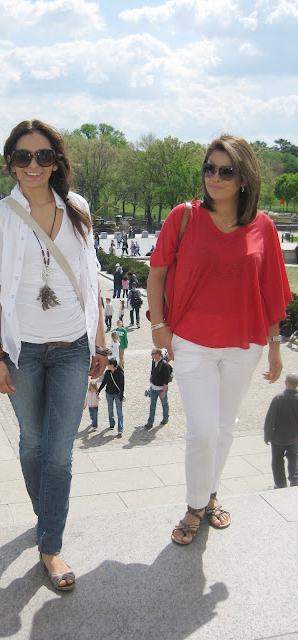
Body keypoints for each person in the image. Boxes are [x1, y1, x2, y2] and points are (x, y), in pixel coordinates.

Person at [147, 134, 291, 545]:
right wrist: (159, 327)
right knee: (202, 430)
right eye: (210, 168)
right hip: (191, 341)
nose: (215, 177)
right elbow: (157, 272)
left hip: (244, 345)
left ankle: (210, 496)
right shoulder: (184, 216)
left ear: (244, 178)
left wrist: (276, 347)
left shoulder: (262, 226)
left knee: (225, 427)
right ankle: (194, 506)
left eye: (226, 170)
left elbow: (272, 290)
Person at [0, 119, 107, 591]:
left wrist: (100, 341)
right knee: (32, 442)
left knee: (58, 453)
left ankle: (50, 545)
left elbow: (90, 278)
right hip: (23, 350)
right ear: (10, 162)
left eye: (43, 156)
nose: (33, 166)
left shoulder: (78, 208)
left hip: (73, 345)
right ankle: (46, 518)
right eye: (23, 156)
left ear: (57, 161)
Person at [264, 372, 298, 488]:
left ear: (286, 383)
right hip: (294, 437)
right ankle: (295, 478)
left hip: (278, 438)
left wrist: (267, 436)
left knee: (277, 460)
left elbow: (270, 420)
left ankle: (280, 483)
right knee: (294, 457)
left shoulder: (278, 399)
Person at [144, 348, 171, 429]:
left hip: (160, 388)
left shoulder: (164, 365)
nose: (151, 355)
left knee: (164, 403)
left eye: (153, 354)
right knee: (152, 405)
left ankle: (165, 418)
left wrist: (163, 391)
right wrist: (151, 377)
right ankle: (150, 423)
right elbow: (152, 370)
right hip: (153, 387)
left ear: (158, 355)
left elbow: (166, 380)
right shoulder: (153, 361)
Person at [98, 358, 124, 437]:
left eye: (108, 364)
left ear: (112, 365)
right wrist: (98, 390)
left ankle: (120, 429)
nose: (107, 366)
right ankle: (112, 424)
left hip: (117, 394)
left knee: (119, 412)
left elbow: (122, 386)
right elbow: (104, 382)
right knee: (110, 410)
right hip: (108, 394)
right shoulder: (107, 373)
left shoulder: (120, 373)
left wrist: (121, 396)